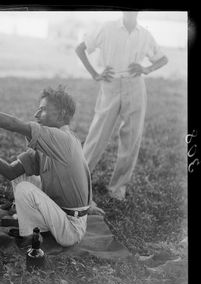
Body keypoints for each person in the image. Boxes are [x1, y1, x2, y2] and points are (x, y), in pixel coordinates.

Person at [0, 85, 104, 248]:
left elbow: (13, 124)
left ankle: (28, 238)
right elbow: (11, 172)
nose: (36, 114)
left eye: (43, 109)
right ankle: (33, 224)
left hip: (70, 229)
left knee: (24, 189)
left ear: (61, 114)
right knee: (22, 177)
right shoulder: (49, 143)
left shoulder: (63, 139)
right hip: (59, 215)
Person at [75, 11, 168, 200]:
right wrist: (95, 74)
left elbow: (163, 58)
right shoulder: (107, 27)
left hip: (135, 85)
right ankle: (77, 180)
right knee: (97, 135)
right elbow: (80, 48)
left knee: (131, 137)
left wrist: (147, 69)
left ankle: (118, 188)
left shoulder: (144, 34)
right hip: (110, 83)